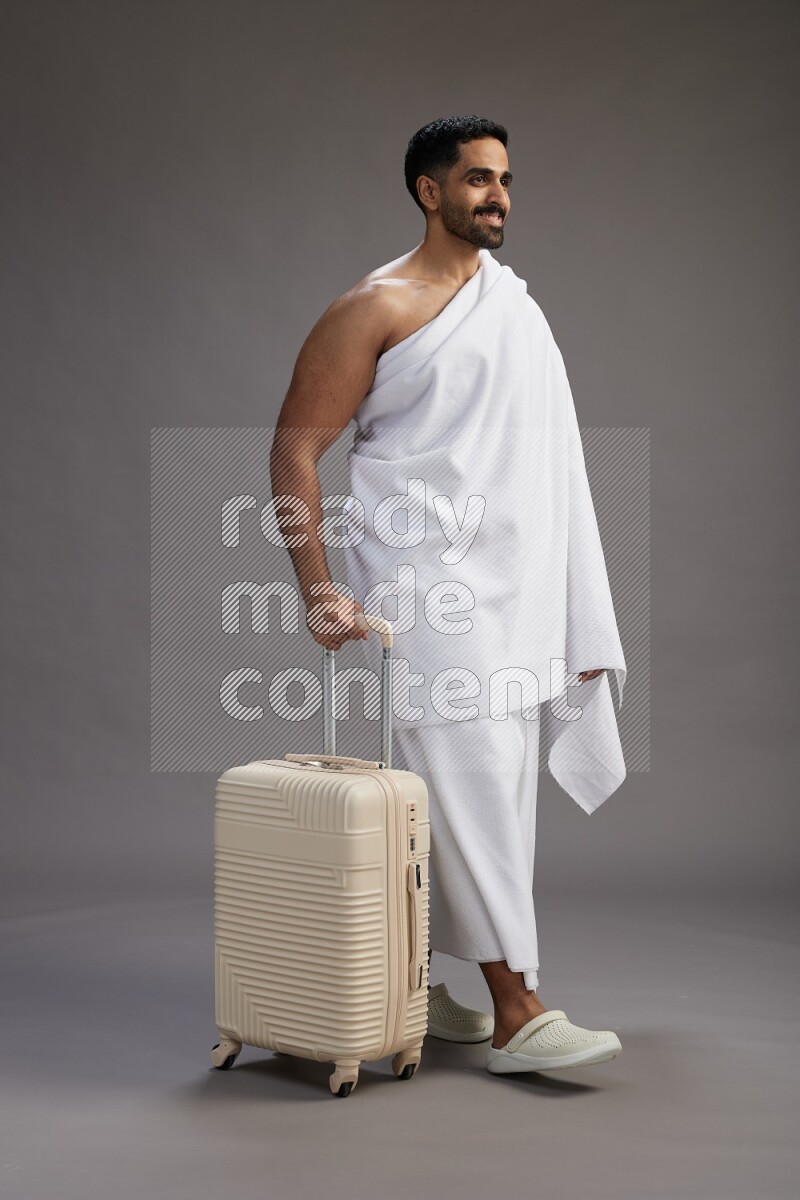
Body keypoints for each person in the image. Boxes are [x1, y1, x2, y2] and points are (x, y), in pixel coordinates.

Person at [270, 115, 626, 1074]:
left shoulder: (515, 307)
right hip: (425, 594)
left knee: (486, 797)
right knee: (466, 791)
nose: (497, 196)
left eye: (504, 178)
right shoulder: (373, 307)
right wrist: (318, 591)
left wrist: (579, 612)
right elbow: (296, 450)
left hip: (515, 593)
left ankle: (414, 984)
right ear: (429, 192)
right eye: (475, 179)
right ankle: (518, 1009)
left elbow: (559, 470)